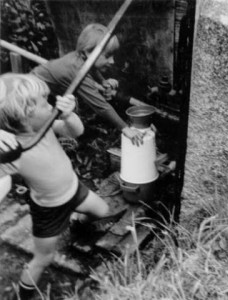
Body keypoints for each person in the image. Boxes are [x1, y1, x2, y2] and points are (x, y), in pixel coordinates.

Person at [0, 73, 110, 300]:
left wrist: (69, 116)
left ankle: (76, 221)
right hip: (48, 209)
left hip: (73, 188)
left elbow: (76, 131)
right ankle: (23, 294)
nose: (51, 106)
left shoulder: (46, 125)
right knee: (43, 258)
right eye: (44, 103)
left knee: (102, 211)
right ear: (26, 116)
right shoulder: (13, 151)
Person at [31, 23, 145, 146]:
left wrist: (102, 81)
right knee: (38, 132)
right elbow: (101, 106)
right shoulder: (76, 70)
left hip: (43, 86)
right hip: (32, 94)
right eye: (107, 56)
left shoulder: (81, 58)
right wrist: (125, 128)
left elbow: (92, 68)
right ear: (88, 52)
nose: (112, 61)